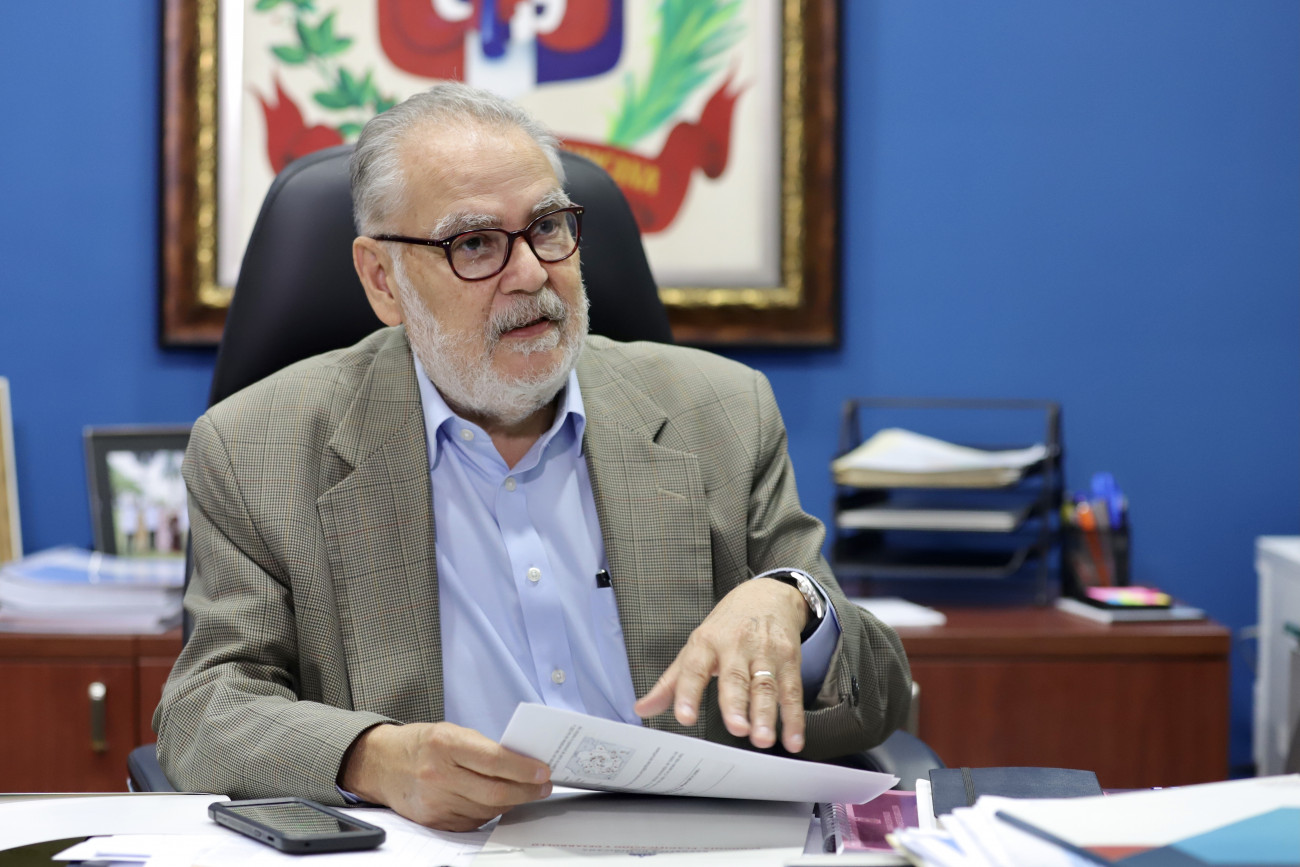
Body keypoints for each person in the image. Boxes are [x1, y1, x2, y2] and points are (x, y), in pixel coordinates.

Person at [155, 81, 911, 832]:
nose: (531, 274)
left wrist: (795, 606)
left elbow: (878, 698)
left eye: (548, 227)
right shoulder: (256, 447)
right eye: (474, 244)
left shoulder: (719, 413)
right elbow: (203, 711)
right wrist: (371, 758)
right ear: (383, 280)